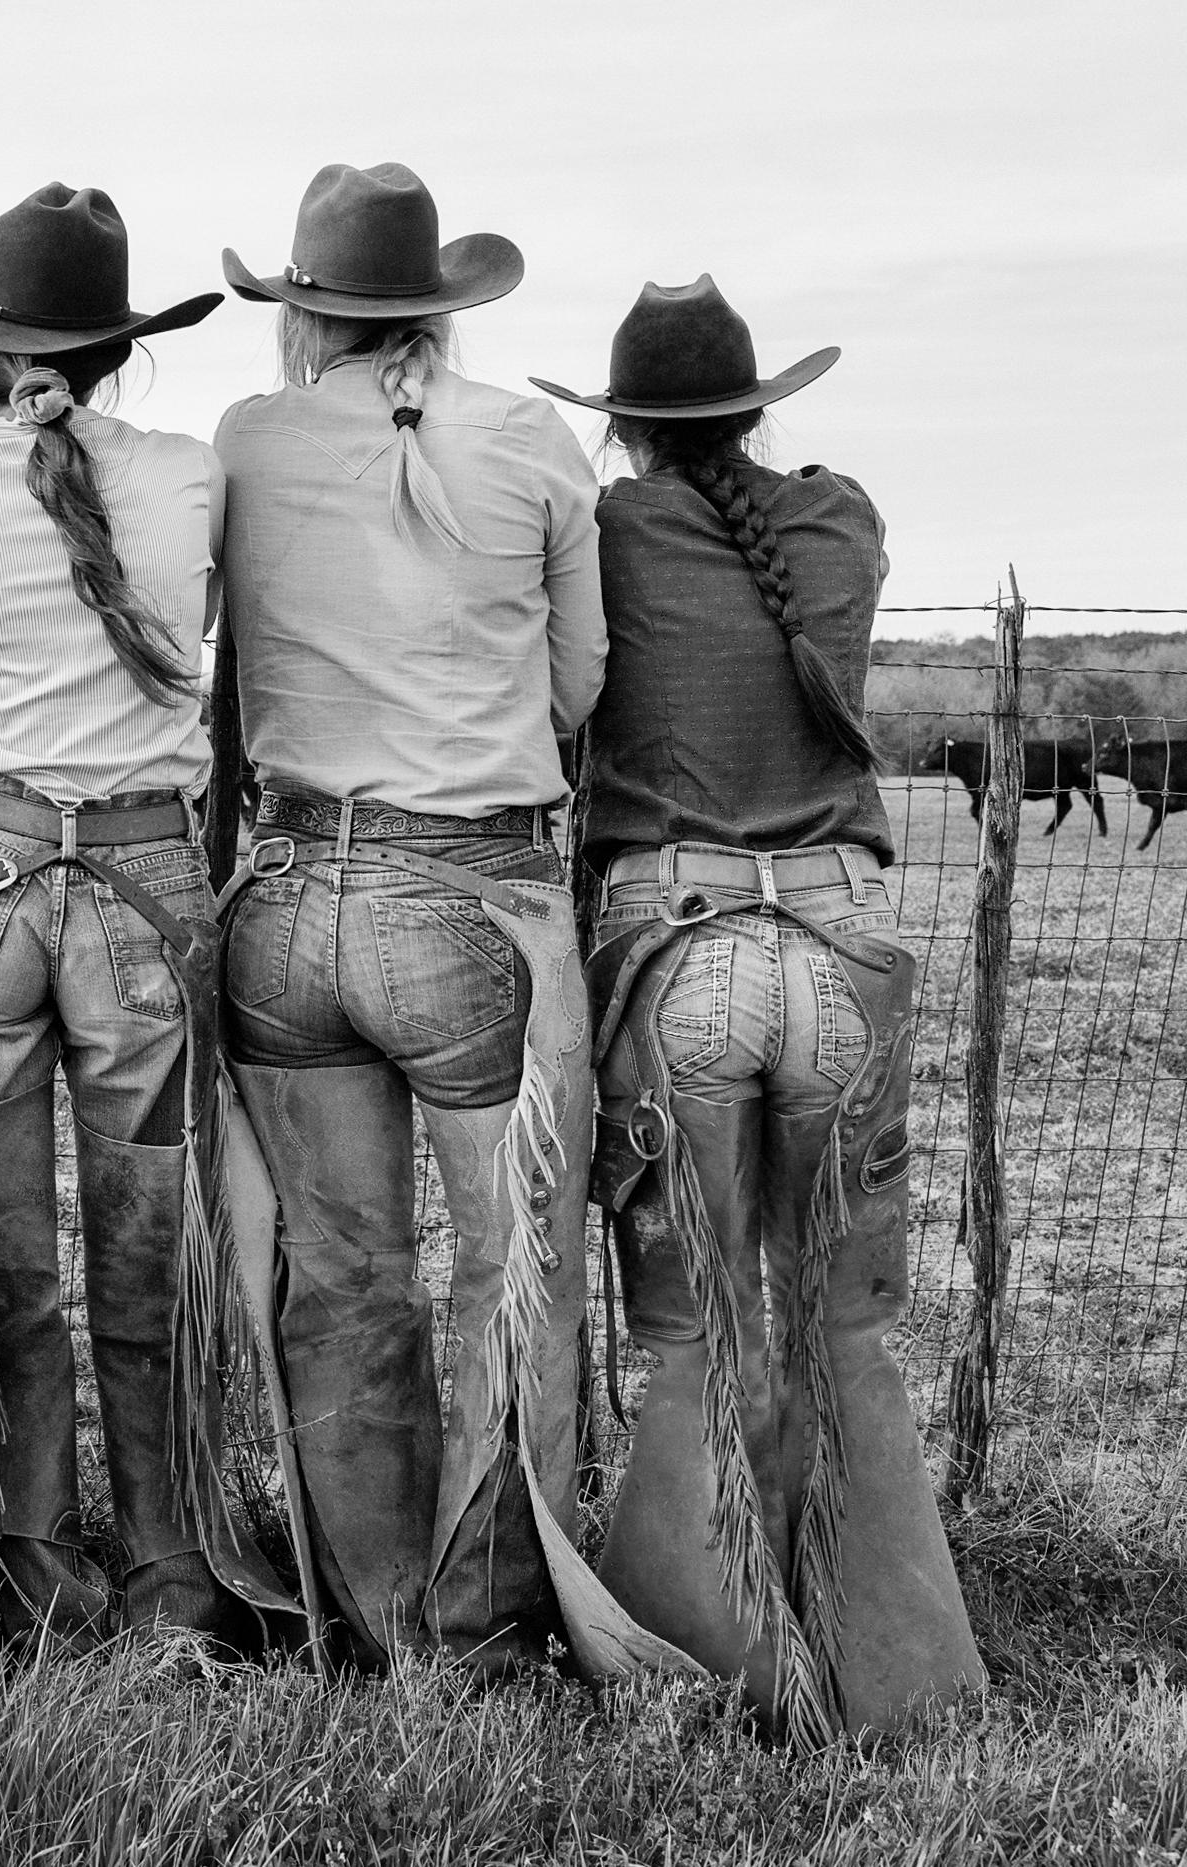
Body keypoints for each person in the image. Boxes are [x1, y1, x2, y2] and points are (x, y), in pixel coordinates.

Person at [533, 276, 986, 1739]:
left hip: (681, 949)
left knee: (692, 1333)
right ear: (756, 404)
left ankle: (708, 1678)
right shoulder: (839, 521)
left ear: (629, 431)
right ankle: (903, 1683)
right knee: (847, 1334)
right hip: (843, 945)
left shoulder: (610, 533)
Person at [208, 161, 631, 1676]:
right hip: (471, 898)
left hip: (287, 897)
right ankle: (480, 1618)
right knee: (504, 1277)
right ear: (441, 308)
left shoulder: (248, 441)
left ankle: (370, 1614)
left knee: (340, 1278)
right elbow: (578, 687)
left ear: (304, 309)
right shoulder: (531, 442)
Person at [0, 185, 303, 1655]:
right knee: (149, 1255)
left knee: (2, 1254)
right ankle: (173, 1571)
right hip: (141, 891)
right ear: (126, 344)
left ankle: (24, 1565)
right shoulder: (193, 476)